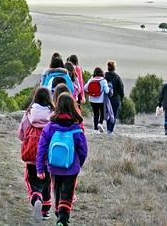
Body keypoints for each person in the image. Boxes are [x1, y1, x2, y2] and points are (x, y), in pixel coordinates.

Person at [36, 93, 87, 226]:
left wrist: (40, 168)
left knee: (57, 190)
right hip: (71, 168)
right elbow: (83, 151)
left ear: (57, 106)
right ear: (73, 107)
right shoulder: (76, 129)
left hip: (54, 167)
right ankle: (63, 218)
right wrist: (78, 164)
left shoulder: (49, 127)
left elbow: (41, 149)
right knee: (67, 193)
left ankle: (58, 214)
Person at [17, 87, 54, 223]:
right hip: (49, 156)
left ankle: (36, 198)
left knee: (32, 180)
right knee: (47, 181)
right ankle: (45, 211)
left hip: (32, 154)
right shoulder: (53, 113)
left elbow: (21, 133)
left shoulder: (29, 112)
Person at [84, 67, 110, 133]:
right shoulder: (103, 81)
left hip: (92, 100)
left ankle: (95, 129)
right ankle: (100, 123)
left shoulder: (91, 79)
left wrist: (91, 93)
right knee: (102, 113)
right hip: (100, 100)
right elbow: (107, 91)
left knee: (95, 114)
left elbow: (85, 88)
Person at [104, 61, 125, 135]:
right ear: (114, 68)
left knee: (107, 114)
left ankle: (107, 129)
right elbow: (121, 90)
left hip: (106, 98)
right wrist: (121, 99)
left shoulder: (104, 77)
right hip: (115, 99)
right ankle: (110, 130)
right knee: (114, 115)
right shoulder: (117, 78)